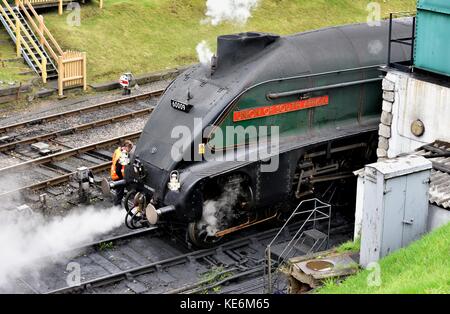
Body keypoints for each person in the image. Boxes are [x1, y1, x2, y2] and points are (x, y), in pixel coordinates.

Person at [111, 140, 133, 206]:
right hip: (118, 176)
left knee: (118, 191)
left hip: (114, 173)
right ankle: (117, 207)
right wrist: (122, 179)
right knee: (119, 193)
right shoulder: (122, 156)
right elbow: (118, 170)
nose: (130, 150)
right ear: (126, 147)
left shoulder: (118, 151)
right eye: (130, 148)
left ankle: (116, 204)